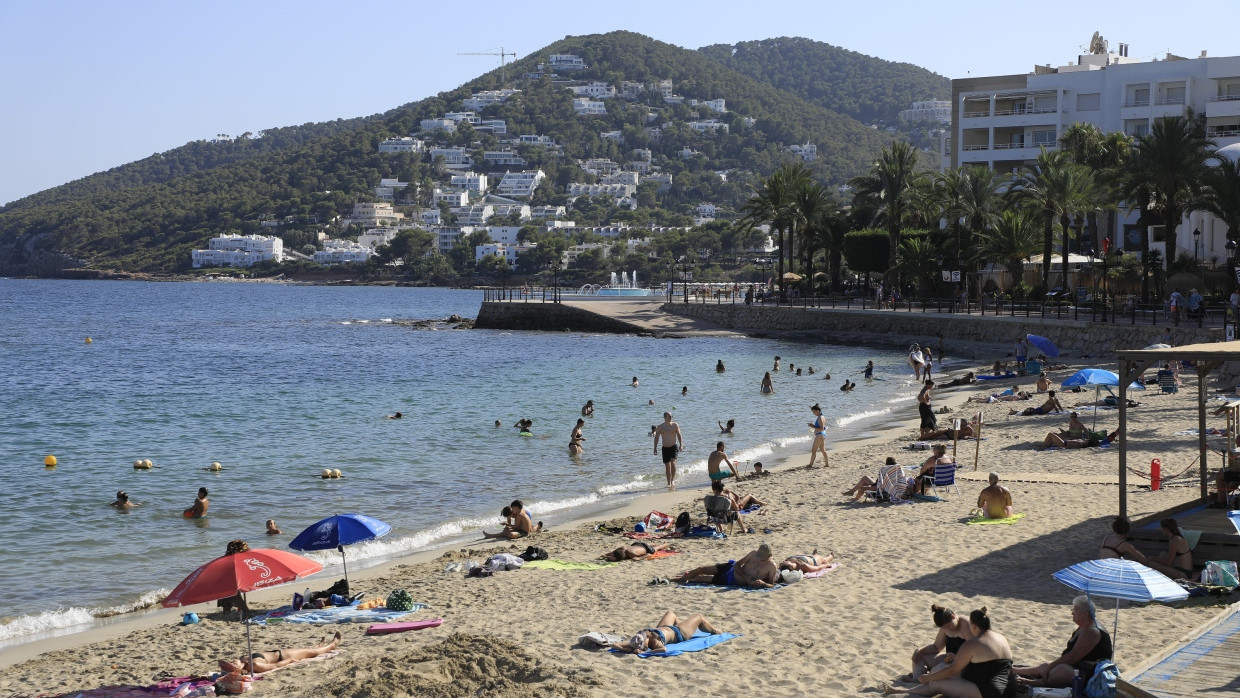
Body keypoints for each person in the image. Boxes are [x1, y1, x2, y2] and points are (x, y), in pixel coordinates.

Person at [884, 606, 1016, 698]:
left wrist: (928, 678)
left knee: (936, 683)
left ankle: (901, 691)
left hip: (989, 692)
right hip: (1010, 688)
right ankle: (908, 687)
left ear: (974, 626)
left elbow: (953, 670)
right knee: (939, 677)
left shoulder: (971, 644)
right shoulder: (1001, 638)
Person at [1014, 597, 1113, 688]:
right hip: (1077, 667)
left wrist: (1050, 667)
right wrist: (1048, 667)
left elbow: (1073, 656)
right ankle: (1015, 670)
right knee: (1045, 667)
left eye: (1075, 610)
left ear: (1085, 615)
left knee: (1059, 671)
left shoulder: (1092, 631)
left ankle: (1034, 682)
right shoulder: (1084, 626)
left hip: (1091, 674)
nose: (1072, 613)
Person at [907, 604, 976, 684]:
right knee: (919, 655)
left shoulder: (966, 624)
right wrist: (920, 650)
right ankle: (918, 679)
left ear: (953, 616)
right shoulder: (945, 628)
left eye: (949, 626)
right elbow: (936, 647)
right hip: (948, 660)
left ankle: (927, 679)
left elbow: (974, 652)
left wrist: (957, 657)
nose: (948, 629)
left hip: (963, 665)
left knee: (937, 670)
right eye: (945, 628)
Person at [219, 631, 342, 674]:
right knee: (311, 652)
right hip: (283, 656)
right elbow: (275, 666)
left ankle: (320, 645)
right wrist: (289, 661)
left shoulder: (243, 660)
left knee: (307, 650)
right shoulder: (253, 665)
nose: (233, 660)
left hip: (278, 652)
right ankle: (333, 644)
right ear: (238, 669)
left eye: (231, 661)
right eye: (233, 664)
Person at [673, 543, 780, 589]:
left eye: (763, 558)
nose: (760, 559)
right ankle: (678, 578)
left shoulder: (771, 566)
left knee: (699, 579)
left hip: (731, 580)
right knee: (701, 569)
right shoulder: (753, 554)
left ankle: (681, 578)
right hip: (730, 568)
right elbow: (738, 564)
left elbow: (771, 584)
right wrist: (745, 577)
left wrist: (763, 584)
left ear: (770, 556)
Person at [610, 611, 720, 653]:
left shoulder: (637, 640)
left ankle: (683, 623)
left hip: (664, 627)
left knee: (670, 613)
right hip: (680, 633)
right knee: (699, 617)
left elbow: (614, 645)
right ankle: (714, 631)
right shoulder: (654, 643)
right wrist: (645, 652)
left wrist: (625, 650)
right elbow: (663, 649)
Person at [217, 540, 252, 618]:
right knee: (243, 608)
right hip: (230, 587)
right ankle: (239, 609)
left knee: (228, 604)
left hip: (224, 585)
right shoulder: (237, 561)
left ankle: (227, 610)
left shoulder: (227, 559)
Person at [653, 411, 684, 490]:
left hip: (673, 446)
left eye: (671, 416)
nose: (671, 418)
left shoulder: (675, 425)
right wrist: (655, 448)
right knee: (667, 466)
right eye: (669, 416)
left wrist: (681, 444)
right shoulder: (660, 427)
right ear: (665, 417)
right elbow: (656, 437)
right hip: (665, 448)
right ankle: (668, 482)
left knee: (673, 463)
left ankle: (672, 480)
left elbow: (679, 434)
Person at [602, 541, 672, 562]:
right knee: (644, 545)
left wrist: (639, 558)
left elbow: (648, 554)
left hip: (645, 548)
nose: (610, 557)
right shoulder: (622, 548)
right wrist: (605, 555)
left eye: (611, 557)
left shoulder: (632, 554)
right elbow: (611, 553)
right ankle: (651, 543)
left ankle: (666, 544)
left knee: (656, 548)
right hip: (636, 544)